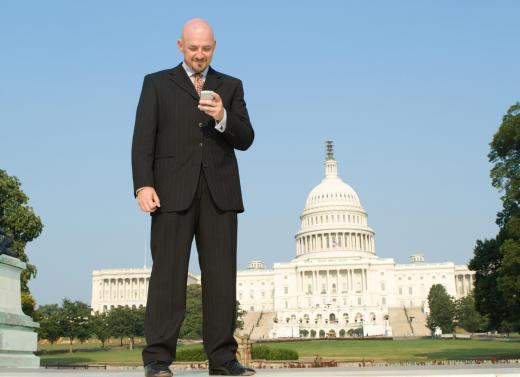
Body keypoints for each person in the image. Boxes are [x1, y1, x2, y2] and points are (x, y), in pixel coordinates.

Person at [131, 18, 255, 377]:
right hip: (169, 193)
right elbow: (143, 139)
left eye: (206, 48)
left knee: (220, 278)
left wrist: (223, 116)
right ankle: (157, 359)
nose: (199, 55)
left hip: (220, 193)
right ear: (180, 45)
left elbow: (246, 138)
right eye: (193, 48)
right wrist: (143, 185)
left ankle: (223, 359)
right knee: (168, 277)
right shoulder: (156, 84)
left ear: (214, 46)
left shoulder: (230, 86)